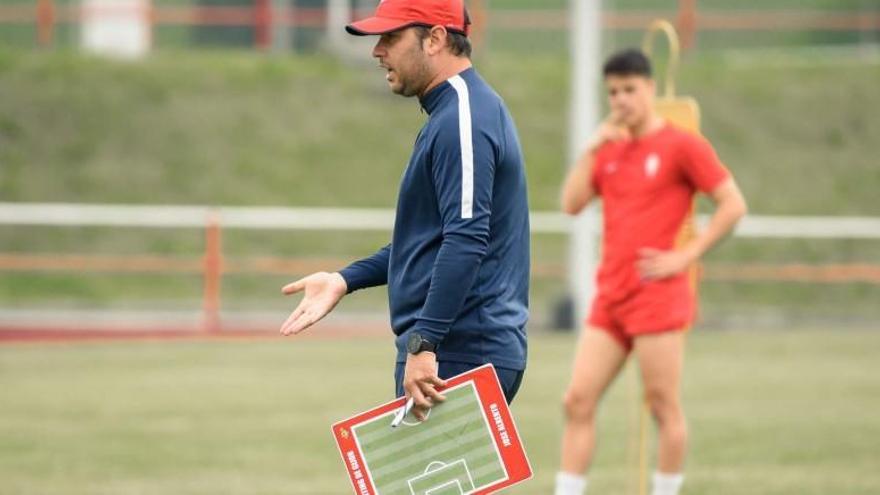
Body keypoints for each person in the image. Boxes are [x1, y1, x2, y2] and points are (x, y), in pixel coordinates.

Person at [278, 0, 530, 420]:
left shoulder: (463, 119)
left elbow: (466, 240)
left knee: (428, 488)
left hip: (460, 350)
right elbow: (430, 243)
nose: (378, 51)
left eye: (391, 37)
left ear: (435, 39)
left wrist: (425, 344)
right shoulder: (451, 114)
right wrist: (345, 279)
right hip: (453, 348)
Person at [554, 49, 747, 495]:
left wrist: (687, 255)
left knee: (662, 406)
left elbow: (732, 203)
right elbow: (571, 203)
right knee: (577, 400)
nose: (621, 99)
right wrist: (589, 150)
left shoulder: (682, 145)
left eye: (629, 89)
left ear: (650, 89)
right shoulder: (609, 150)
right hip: (611, 296)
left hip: (657, 295)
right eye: (613, 92)